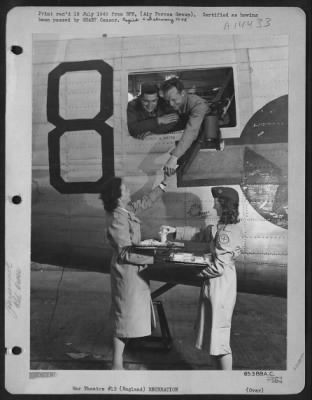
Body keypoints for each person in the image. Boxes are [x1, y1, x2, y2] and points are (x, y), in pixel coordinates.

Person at [160, 187, 242, 370]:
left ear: (223, 204)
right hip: (216, 286)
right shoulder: (223, 227)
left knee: (220, 341)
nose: (213, 205)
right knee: (214, 339)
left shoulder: (228, 232)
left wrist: (196, 272)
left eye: (216, 202)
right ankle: (221, 379)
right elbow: (202, 234)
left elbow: (219, 266)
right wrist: (175, 230)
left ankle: (227, 385)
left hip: (220, 287)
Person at [100, 174, 170, 370]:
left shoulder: (124, 210)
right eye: (125, 188)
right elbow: (124, 252)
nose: (129, 190)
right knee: (123, 317)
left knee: (127, 316)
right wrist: (154, 259)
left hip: (134, 272)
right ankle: (116, 365)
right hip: (127, 272)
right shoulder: (117, 217)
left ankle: (118, 362)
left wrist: (163, 184)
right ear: (117, 195)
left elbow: (145, 202)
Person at [160, 77, 210, 175]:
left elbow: (191, 131)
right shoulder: (176, 104)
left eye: (174, 100)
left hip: (202, 149)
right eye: (168, 100)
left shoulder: (198, 106)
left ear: (183, 93)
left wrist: (174, 157)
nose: (170, 104)